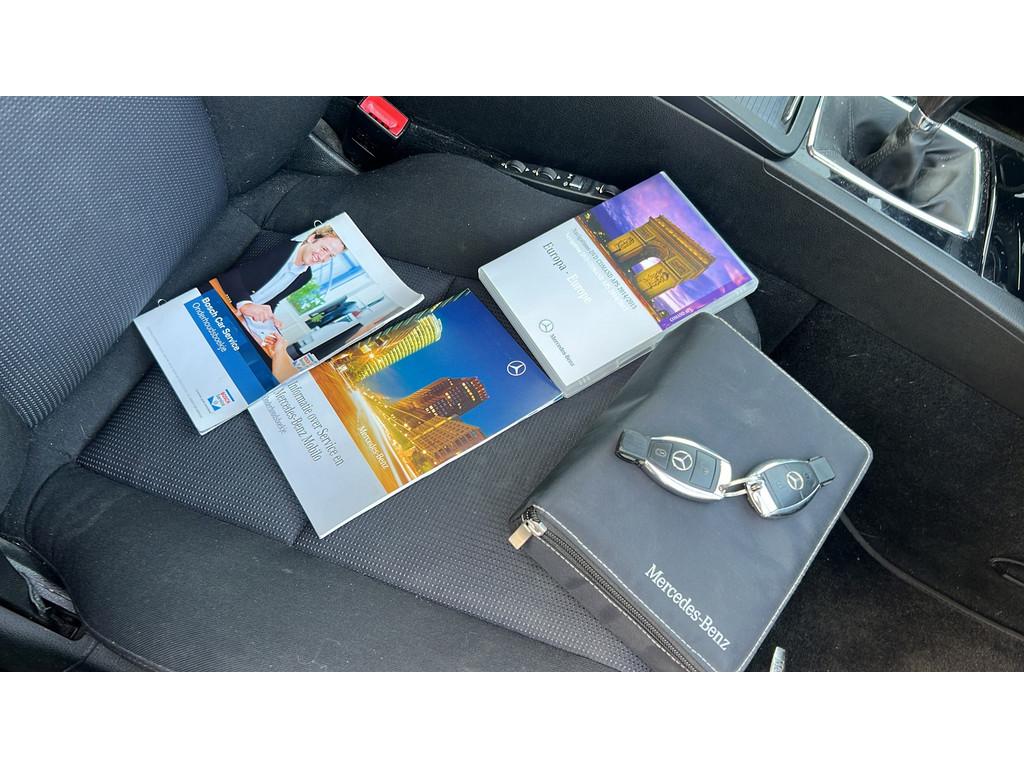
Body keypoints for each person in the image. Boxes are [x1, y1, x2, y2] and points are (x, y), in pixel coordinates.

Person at [217, 223, 346, 328]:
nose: (323, 257)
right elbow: (230, 271)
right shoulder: (276, 242)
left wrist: (270, 319)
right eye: (324, 249)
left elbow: (273, 300)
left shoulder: (305, 277)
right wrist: (245, 304)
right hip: (218, 298)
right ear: (312, 238)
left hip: (237, 318)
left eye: (330, 256)